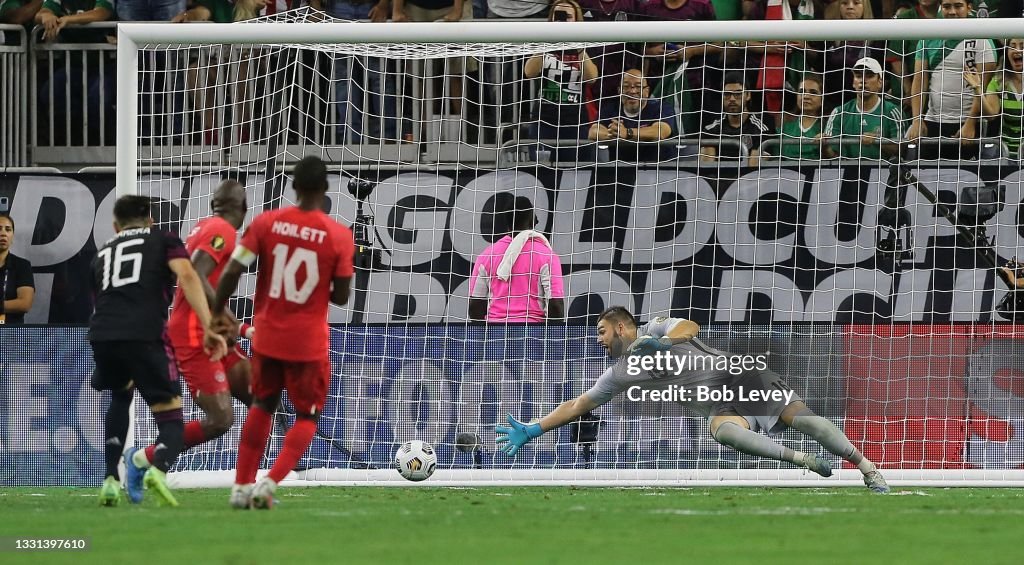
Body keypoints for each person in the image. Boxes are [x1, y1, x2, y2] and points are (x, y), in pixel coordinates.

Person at [495, 306, 891, 493]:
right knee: (722, 432)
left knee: (802, 419)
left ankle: (868, 468)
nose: (599, 341)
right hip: (718, 405)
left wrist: (662, 341)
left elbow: (690, 325)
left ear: (620, 327)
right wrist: (533, 429)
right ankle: (801, 460)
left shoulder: (654, 326)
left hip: (738, 377)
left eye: (601, 332)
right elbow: (578, 405)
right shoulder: (619, 372)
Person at [212, 156, 355, 509]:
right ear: (325, 189)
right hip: (307, 342)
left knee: (262, 404)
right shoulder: (339, 236)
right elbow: (341, 296)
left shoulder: (265, 224)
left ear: (293, 186)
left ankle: (241, 486)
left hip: (269, 337)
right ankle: (270, 483)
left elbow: (232, 271)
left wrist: (215, 311)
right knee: (307, 416)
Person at [119, 181, 254, 504]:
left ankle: (251, 486)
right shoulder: (223, 230)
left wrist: (231, 322)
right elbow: (195, 272)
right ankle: (142, 459)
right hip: (195, 335)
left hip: (208, 328)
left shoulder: (206, 225)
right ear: (245, 209)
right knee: (221, 419)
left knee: (260, 396)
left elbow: (202, 280)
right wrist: (223, 318)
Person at [90, 195, 227, 507]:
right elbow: (189, 275)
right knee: (170, 415)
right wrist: (209, 325)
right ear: (150, 220)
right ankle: (159, 469)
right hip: (145, 334)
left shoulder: (102, 253)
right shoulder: (163, 239)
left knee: (120, 395)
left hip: (102, 334)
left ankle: (111, 479)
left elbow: (99, 299)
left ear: (115, 225)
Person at [907, 0, 997, 160]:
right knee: (929, 178)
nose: (952, 11)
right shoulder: (928, 35)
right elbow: (919, 80)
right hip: (932, 121)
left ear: (969, 7)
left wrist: (970, 123)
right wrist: (916, 120)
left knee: (966, 179)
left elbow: (981, 86)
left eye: (958, 6)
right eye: (947, 6)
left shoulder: (982, 38)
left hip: (965, 124)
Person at [523, 0, 599, 162]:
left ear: (577, 20)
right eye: (558, 15)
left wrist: (577, 46)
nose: (563, 20)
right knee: (542, 172)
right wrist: (547, 43)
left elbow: (592, 77)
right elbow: (529, 72)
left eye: (568, 16)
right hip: (543, 120)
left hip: (575, 121)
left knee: (576, 173)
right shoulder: (543, 43)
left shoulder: (586, 43)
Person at [469, 197, 565, 323]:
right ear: (533, 219)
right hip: (532, 336)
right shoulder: (547, 256)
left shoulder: (486, 256)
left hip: (495, 336)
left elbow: (475, 307)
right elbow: (556, 306)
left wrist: (486, 337)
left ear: (507, 222)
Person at [823, 57, 904, 160]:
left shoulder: (892, 112)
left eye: (869, 76)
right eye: (858, 76)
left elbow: (901, 149)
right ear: (853, 82)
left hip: (883, 173)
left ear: (880, 82)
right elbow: (832, 157)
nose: (863, 81)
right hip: (847, 172)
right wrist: (824, 146)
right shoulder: (839, 113)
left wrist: (877, 140)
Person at [587, 68, 675, 161]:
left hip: (658, 169)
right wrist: (614, 134)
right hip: (621, 170)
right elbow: (593, 132)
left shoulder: (662, 108)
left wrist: (628, 133)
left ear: (647, 91)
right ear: (619, 90)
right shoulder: (610, 109)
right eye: (626, 86)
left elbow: (660, 132)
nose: (632, 91)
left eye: (638, 86)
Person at [701, 72, 773, 166]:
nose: (732, 99)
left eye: (738, 94)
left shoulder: (761, 129)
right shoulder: (711, 130)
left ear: (748, 95)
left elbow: (753, 170)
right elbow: (707, 169)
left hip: (748, 179)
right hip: (719, 179)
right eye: (727, 94)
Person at [972, 38, 1024, 159]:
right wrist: (978, 90)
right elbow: (990, 115)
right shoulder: (998, 81)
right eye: (1013, 46)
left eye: (1022, 46)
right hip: (1006, 155)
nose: (1017, 50)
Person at [775, 74, 825, 160]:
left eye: (813, 92)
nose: (806, 96)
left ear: (822, 99)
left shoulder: (827, 127)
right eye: (802, 91)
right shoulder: (784, 129)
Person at [0, 213, 34, 325]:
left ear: (12, 236)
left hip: (12, 334)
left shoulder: (22, 265)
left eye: (8, 229)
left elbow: (25, 304)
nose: (3, 233)